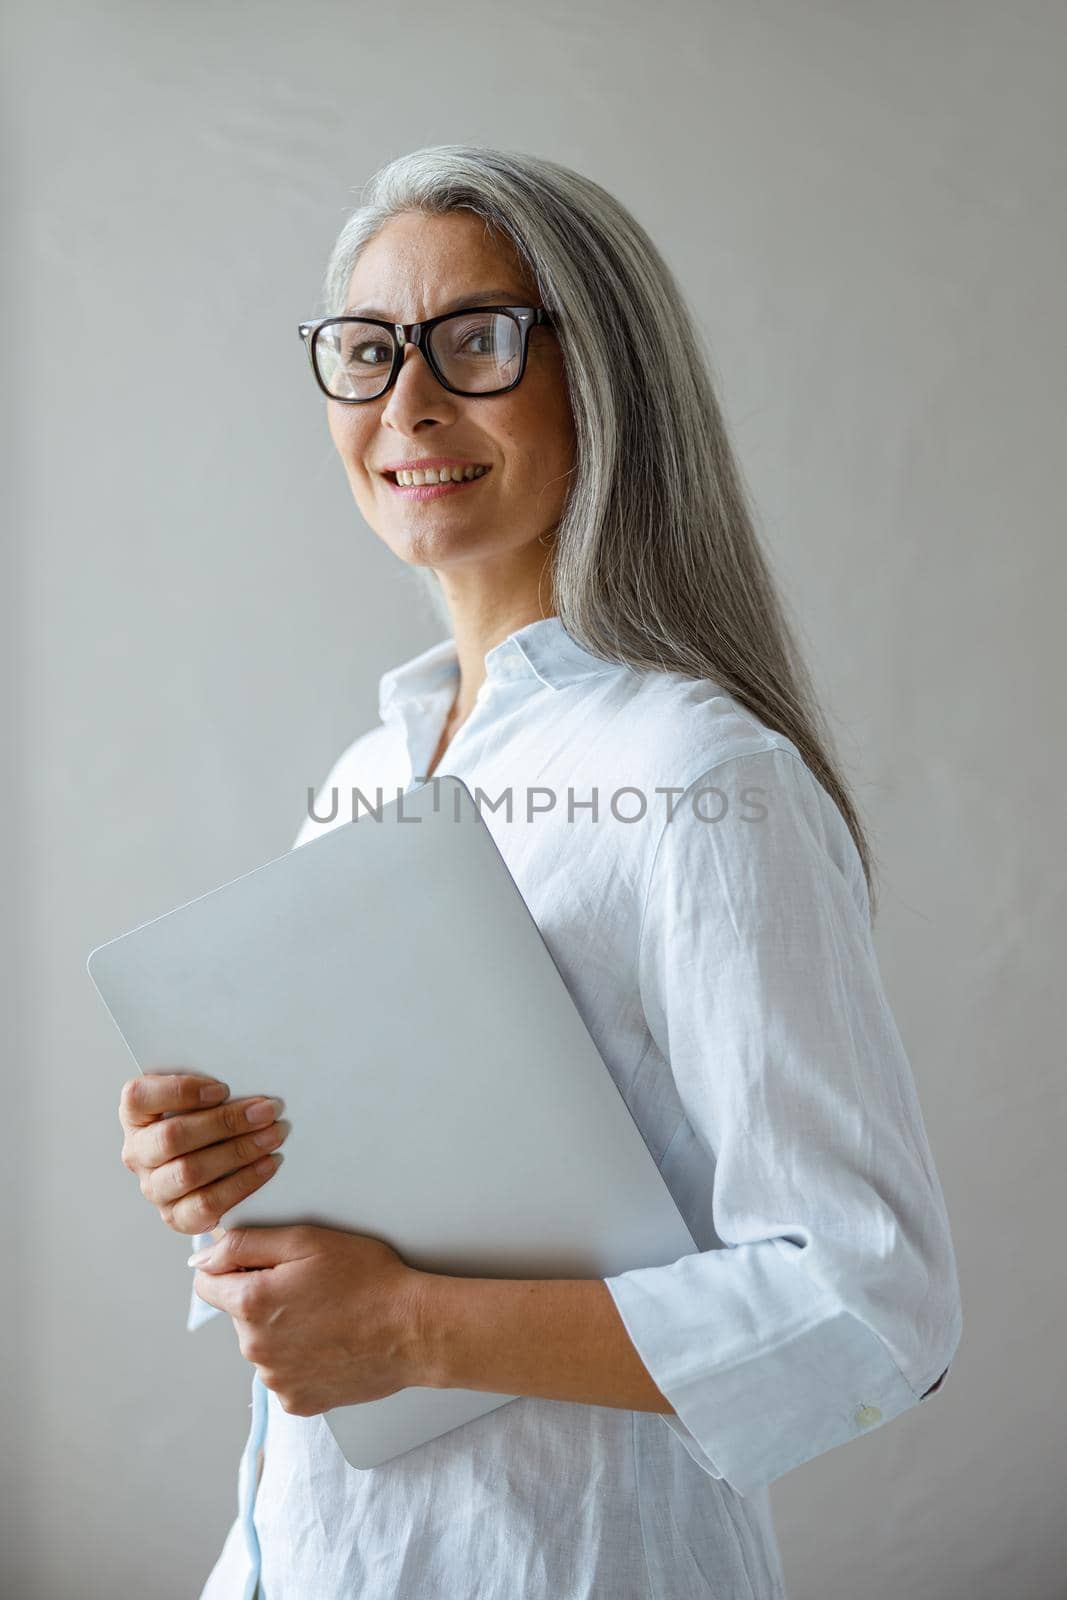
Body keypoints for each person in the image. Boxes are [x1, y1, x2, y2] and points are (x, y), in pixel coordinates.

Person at [117, 145, 963, 1600]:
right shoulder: (370, 780)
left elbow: (872, 1304)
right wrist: (226, 1169)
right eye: (368, 351)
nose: (408, 402)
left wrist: (411, 1329)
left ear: (603, 372)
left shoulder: (700, 778)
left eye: (479, 340)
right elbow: (389, 1225)